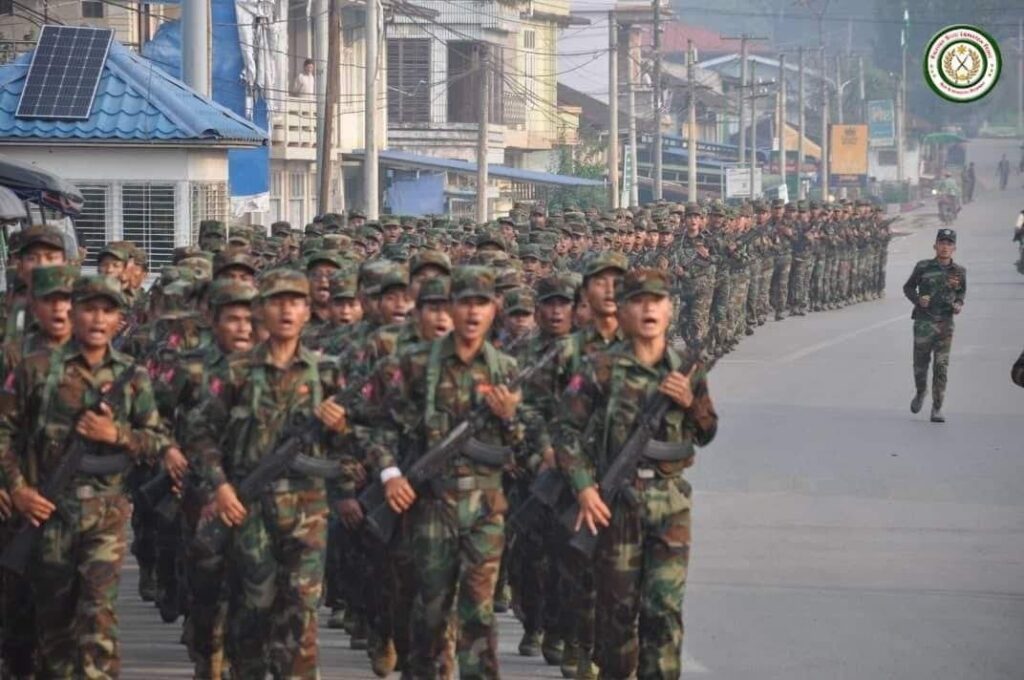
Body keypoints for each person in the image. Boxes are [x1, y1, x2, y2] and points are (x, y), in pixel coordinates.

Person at [0, 275, 170, 678]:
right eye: (89, 309)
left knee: (98, 618)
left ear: (118, 319)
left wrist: (117, 435)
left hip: (105, 519)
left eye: (107, 311)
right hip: (47, 516)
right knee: (54, 630)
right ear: (73, 313)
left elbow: (158, 442)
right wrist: (18, 489)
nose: (97, 319)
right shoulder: (34, 370)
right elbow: (4, 433)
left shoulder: (131, 376)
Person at [555, 268, 717, 679]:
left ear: (669, 310)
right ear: (623, 312)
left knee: (664, 609)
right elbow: (567, 433)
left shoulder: (686, 370)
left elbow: (707, 432)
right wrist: (584, 489)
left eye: (657, 301)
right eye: (639, 301)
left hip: (670, 504)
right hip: (617, 506)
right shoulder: (598, 369)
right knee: (617, 616)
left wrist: (689, 403)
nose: (649, 309)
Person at [366, 265, 524, 679]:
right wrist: (390, 474)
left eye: (481, 303)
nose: (473, 312)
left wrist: (510, 418)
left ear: (494, 310)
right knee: (431, 612)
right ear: (451, 307)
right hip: (431, 506)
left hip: (485, 507)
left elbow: (525, 446)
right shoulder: (414, 365)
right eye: (465, 302)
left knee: (478, 613)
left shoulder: (505, 369)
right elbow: (380, 428)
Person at [902, 229, 966, 423]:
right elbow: (908, 287)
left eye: (949, 244)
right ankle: (921, 391)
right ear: (935, 246)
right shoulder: (923, 266)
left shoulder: (959, 271)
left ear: (954, 248)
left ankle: (937, 407)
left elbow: (961, 293)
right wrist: (918, 300)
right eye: (942, 243)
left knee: (941, 367)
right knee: (920, 365)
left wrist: (958, 304)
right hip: (924, 323)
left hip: (945, 325)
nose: (945, 247)